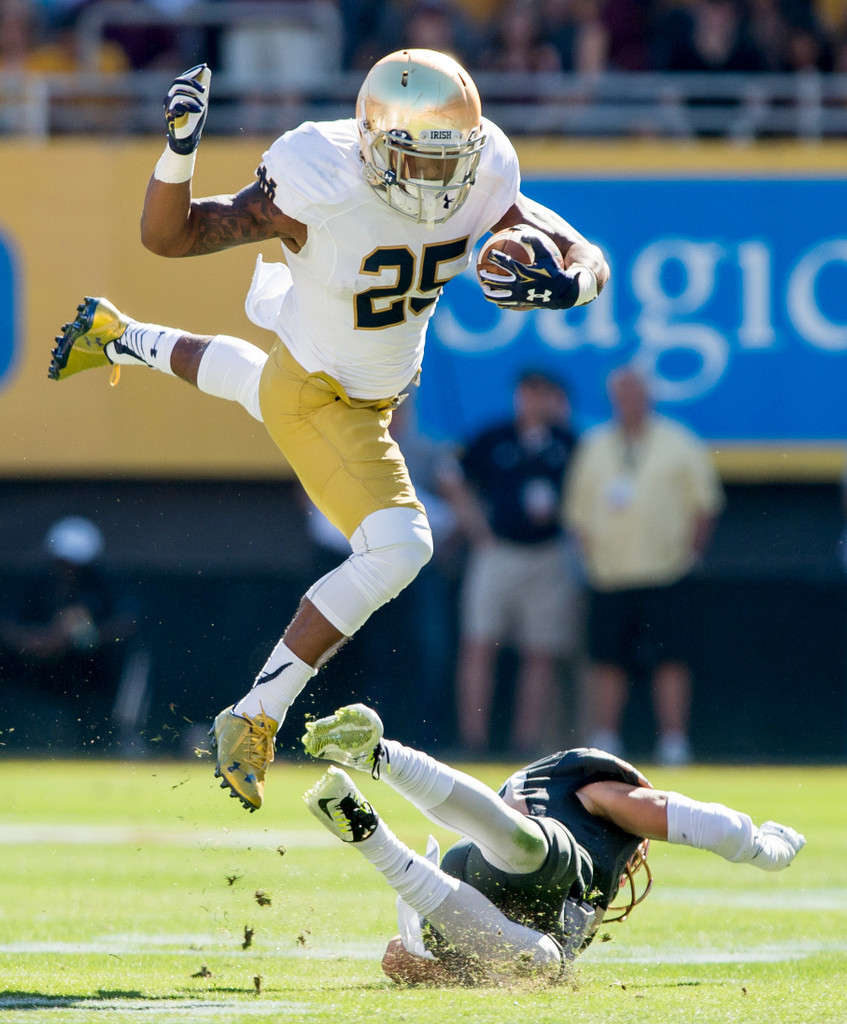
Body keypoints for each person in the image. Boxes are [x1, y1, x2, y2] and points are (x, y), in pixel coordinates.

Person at [48, 50, 610, 811]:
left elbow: (584, 253)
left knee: (254, 381)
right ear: (375, 144)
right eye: (414, 159)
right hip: (325, 392)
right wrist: (179, 150)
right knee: (402, 544)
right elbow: (170, 238)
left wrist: (570, 280)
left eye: (448, 162)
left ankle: (119, 337)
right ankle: (255, 714)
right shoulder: (317, 175)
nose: (434, 183)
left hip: (334, 344)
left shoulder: (484, 169)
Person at [301, 702, 805, 985]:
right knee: (529, 850)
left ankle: (369, 832)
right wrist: (762, 846)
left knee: (539, 963)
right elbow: (687, 817)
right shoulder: (595, 791)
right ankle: (381, 755)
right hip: (530, 857)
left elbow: (399, 958)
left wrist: (452, 972)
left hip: (470, 887)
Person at [563, 365, 724, 766]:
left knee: (670, 659)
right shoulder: (595, 444)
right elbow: (576, 513)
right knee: (607, 660)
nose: (629, 401)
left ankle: (673, 741)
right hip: (609, 574)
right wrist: (589, 557)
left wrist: (690, 555)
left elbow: (705, 504)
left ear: (649, 396)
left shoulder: (679, 441)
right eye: (621, 394)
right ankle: (606, 739)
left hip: (666, 571)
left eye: (636, 392)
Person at [444, 369, 581, 757]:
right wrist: (478, 531)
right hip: (498, 551)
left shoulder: (569, 442)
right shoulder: (494, 436)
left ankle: (526, 743)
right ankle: (473, 739)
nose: (534, 401)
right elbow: (454, 480)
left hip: (548, 554)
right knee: (479, 643)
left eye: (543, 393)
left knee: (541, 651)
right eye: (528, 392)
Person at [0, 516, 138, 752]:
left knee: (98, 726)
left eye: (77, 564)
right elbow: (10, 627)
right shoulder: (35, 585)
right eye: (64, 562)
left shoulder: (104, 585)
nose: (70, 570)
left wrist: (87, 635)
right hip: (37, 680)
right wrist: (43, 640)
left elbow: (126, 624)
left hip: (94, 679)